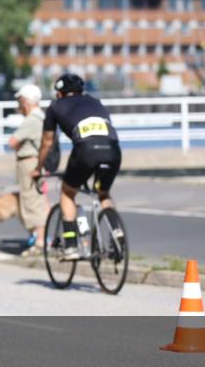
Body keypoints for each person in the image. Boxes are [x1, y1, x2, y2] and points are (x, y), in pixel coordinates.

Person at [33, 73, 122, 260]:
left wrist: (38, 168)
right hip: (113, 150)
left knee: (67, 193)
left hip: (86, 152)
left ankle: (71, 246)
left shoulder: (55, 106)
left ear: (60, 93)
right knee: (102, 192)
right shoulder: (96, 102)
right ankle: (117, 233)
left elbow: (47, 142)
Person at [8, 84, 49, 256]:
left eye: (20, 101)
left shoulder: (32, 119)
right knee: (37, 199)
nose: (19, 105)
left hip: (30, 163)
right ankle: (40, 238)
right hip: (36, 161)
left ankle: (39, 241)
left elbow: (13, 142)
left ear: (26, 101)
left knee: (32, 200)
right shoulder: (42, 118)